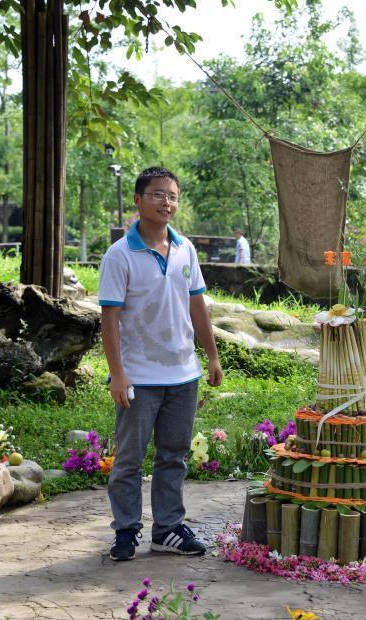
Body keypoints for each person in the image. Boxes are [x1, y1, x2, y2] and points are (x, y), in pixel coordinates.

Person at [98, 166, 223, 561]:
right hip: (139, 376)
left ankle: (167, 529)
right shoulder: (120, 255)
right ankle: (125, 530)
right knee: (129, 459)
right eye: (156, 194)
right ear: (138, 200)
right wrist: (118, 374)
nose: (165, 202)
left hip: (183, 373)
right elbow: (110, 320)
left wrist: (213, 355)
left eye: (171, 196)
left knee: (174, 455)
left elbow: (197, 305)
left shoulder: (186, 249)